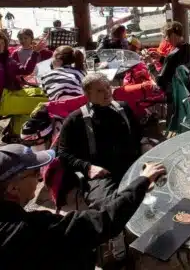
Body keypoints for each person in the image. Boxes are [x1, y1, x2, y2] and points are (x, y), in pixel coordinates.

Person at [0, 144, 166, 269]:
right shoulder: (28, 230)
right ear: (13, 188)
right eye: (34, 173)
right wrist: (142, 181)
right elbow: (103, 221)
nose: (40, 178)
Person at [57, 73, 142, 208]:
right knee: (110, 208)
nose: (107, 92)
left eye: (108, 87)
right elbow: (63, 154)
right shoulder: (75, 120)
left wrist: (146, 144)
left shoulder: (123, 109)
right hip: (102, 174)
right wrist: (88, 167)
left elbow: (139, 134)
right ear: (87, 94)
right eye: (99, 90)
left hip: (131, 165)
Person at [153, 21, 190, 92]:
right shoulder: (188, 48)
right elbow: (175, 64)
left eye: (166, 36)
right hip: (187, 86)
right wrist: (161, 58)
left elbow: (160, 82)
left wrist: (151, 66)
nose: (166, 39)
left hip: (173, 92)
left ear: (173, 35)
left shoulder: (172, 56)